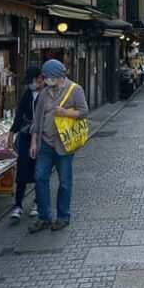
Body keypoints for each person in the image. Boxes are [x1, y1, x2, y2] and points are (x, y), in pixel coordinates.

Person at [28, 59, 89, 233]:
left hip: (64, 144)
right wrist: (34, 141)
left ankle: (63, 217)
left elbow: (84, 112)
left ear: (58, 76)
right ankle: (44, 217)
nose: (46, 80)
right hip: (45, 143)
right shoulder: (44, 93)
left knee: (64, 182)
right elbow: (37, 119)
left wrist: (66, 113)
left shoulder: (74, 90)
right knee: (40, 178)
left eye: (48, 77)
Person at [8, 65, 43, 221]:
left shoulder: (47, 94)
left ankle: (37, 202)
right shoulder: (27, 95)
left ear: (39, 78)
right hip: (25, 137)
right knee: (22, 171)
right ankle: (18, 205)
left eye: (32, 81)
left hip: (42, 138)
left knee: (40, 172)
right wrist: (11, 132)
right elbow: (19, 115)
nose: (31, 84)